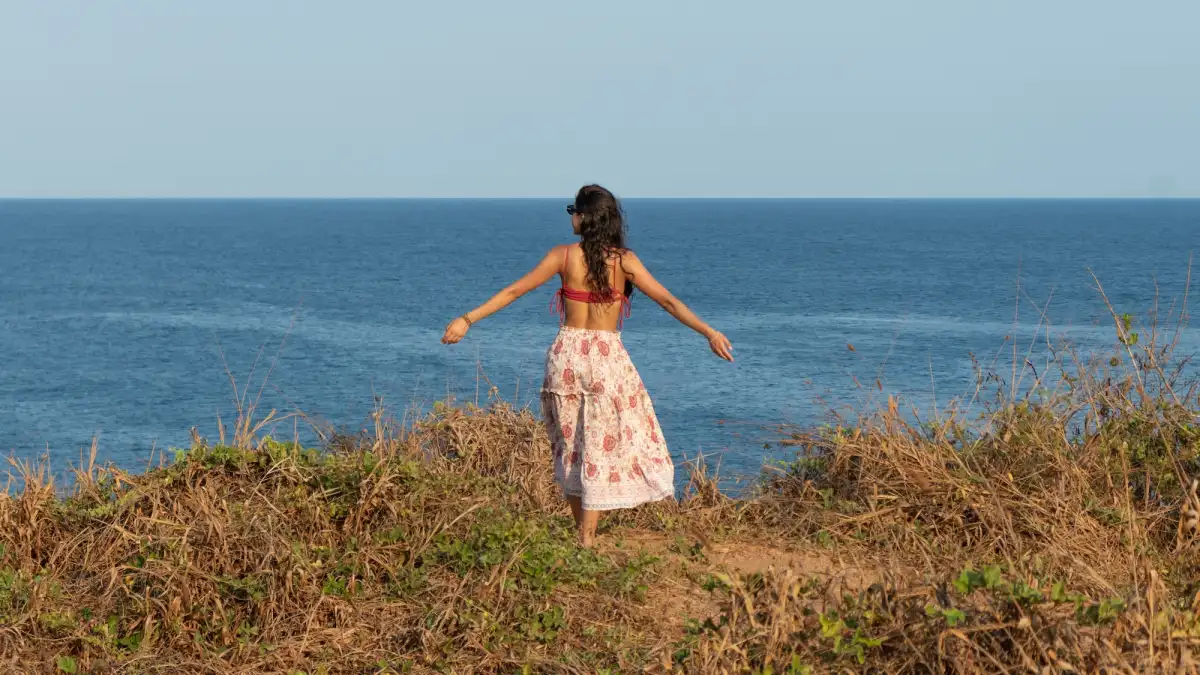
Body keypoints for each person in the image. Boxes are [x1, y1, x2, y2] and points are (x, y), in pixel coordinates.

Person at [441, 184, 732, 546]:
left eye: (573, 212)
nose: (571, 218)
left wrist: (467, 319)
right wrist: (709, 332)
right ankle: (588, 537)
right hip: (607, 357)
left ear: (585, 217)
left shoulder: (563, 256)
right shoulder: (625, 261)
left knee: (571, 445)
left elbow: (514, 291)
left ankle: (584, 536)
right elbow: (669, 302)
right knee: (599, 443)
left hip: (567, 354)